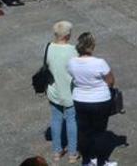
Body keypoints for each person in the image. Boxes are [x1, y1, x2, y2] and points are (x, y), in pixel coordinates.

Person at [68, 32, 117, 166]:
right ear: (91, 46)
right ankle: (100, 161)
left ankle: (87, 161)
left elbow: (73, 77)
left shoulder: (71, 62)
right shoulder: (100, 63)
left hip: (80, 100)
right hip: (100, 101)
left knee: (84, 131)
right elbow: (110, 81)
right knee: (100, 132)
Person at [44, 21, 79, 163]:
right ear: (68, 35)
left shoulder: (48, 48)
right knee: (71, 120)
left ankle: (57, 152)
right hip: (70, 92)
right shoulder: (73, 51)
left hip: (53, 91)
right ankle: (72, 153)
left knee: (56, 120)